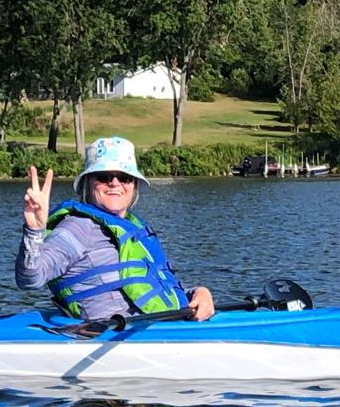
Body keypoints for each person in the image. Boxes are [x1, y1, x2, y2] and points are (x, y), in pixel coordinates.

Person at [17, 135, 215, 324]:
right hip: (112, 338)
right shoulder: (78, 227)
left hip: (162, 327)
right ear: (88, 183)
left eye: (124, 178)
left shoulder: (133, 228)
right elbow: (31, 278)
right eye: (104, 177)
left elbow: (156, 285)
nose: (114, 183)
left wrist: (198, 293)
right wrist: (34, 230)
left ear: (134, 185)